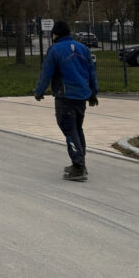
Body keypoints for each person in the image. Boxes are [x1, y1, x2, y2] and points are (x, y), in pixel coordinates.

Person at [34, 20, 99, 181]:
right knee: (77, 128)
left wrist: (39, 91)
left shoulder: (55, 50)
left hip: (65, 96)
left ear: (55, 34)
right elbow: (91, 71)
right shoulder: (83, 48)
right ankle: (80, 161)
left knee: (69, 130)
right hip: (81, 96)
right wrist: (93, 93)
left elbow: (46, 72)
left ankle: (78, 166)